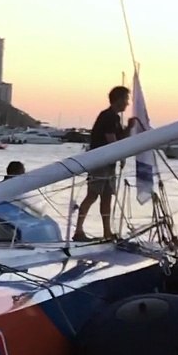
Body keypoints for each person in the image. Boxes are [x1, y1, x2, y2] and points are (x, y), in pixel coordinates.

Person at [73, 86, 135, 242]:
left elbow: (120, 139)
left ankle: (107, 231)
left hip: (108, 164)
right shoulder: (108, 116)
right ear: (119, 99)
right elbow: (112, 142)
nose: (127, 103)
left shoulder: (115, 118)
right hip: (100, 162)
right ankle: (78, 230)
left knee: (107, 196)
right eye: (126, 99)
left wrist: (129, 127)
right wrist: (120, 155)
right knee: (92, 195)